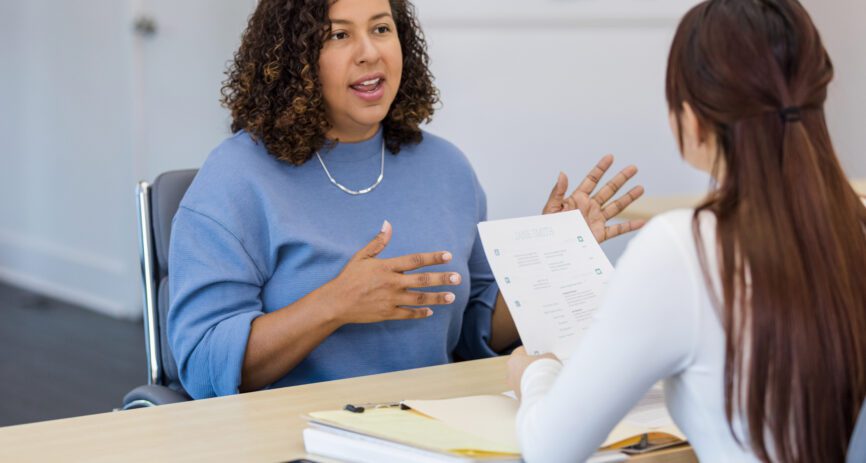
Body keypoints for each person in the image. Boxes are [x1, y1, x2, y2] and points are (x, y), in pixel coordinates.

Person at [168, 0, 645, 400]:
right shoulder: (236, 179)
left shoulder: (446, 168)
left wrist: (551, 257)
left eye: (381, 28)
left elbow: (475, 331)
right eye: (338, 35)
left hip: (437, 429)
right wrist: (335, 303)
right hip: (297, 437)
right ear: (293, 57)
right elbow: (204, 364)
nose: (369, 52)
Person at [507, 0, 866, 461]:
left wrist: (533, 376)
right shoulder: (853, 226)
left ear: (692, 120)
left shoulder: (684, 247)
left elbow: (550, 448)